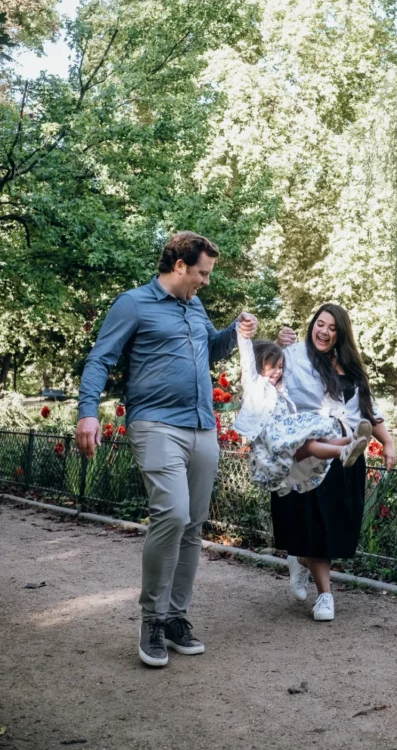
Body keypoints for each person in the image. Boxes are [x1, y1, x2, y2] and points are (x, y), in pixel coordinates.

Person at [75, 231, 257, 668]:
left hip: (201, 426)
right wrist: (88, 413)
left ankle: (176, 618)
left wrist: (235, 331)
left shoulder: (195, 306)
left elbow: (210, 350)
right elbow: (101, 358)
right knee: (171, 514)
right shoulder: (133, 303)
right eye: (202, 273)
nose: (206, 282)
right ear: (179, 266)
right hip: (155, 423)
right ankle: (152, 620)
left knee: (193, 524)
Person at [273, 303, 397, 622]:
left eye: (332, 328)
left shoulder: (351, 367)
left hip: (348, 455)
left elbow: (369, 409)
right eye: (320, 324)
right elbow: (270, 375)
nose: (324, 331)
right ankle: (325, 595)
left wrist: (388, 443)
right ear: (312, 324)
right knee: (318, 524)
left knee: (335, 525)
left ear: (340, 335)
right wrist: (278, 346)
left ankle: (301, 559)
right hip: (313, 451)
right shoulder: (297, 358)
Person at [233, 332, 371, 495]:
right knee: (309, 444)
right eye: (273, 367)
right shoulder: (254, 386)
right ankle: (342, 452)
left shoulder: (277, 388)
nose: (278, 372)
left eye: (280, 367)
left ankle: (351, 440)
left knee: (318, 437)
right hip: (273, 439)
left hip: (286, 432)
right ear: (258, 365)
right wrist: (243, 333)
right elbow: (247, 357)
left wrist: (284, 348)